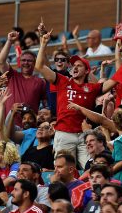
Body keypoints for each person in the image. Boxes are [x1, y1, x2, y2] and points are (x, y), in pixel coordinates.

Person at [36, 27, 105, 168]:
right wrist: (43, 44)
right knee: (63, 169)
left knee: (91, 167)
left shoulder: (92, 88)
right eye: (73, 65)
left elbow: (113, 81)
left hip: (84, 135)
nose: (74, 67)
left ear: (86, 71)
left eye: (79, 65)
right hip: (64, 133)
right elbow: (39, 66)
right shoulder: (62, 80)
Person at [0, 31, 46, 126]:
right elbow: (1, 61)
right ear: (20, 62)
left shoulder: (40, 82)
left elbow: (45, 104)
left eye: (29, 61)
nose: (26, 63)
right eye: (23, 60)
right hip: (9, 126)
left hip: (30, 127)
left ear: (34, 63)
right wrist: (9, 41)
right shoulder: (12, 75)